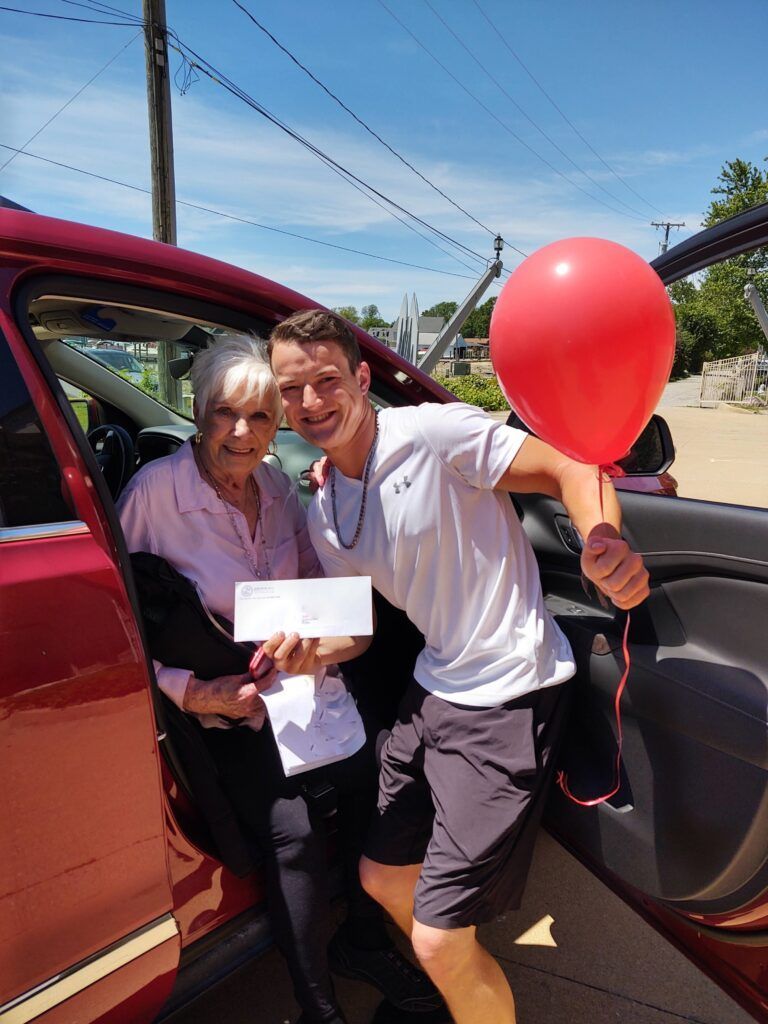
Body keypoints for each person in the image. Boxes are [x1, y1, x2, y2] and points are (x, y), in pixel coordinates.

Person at [269, 310, 651, 1024]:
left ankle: (458, 975)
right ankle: (465, 985)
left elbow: (568, 465)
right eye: (293, 389)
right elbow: (356, 634)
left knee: (438, 940)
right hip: (433, 684)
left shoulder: (433, 433)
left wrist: (603, 542)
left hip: (508, 690)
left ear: (360, 377)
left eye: (327, 380)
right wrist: (308, 652)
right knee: (381, 878)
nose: (312, 403)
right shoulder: (324, 510)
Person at [117, 334, 441, 1024]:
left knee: (376, 777)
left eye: (261, 417)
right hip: (218, 704)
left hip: (295, 688)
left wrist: (316, 646)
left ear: (278, 425)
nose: (242, 433)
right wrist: (189, 691)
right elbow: (111, 638)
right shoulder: (153, 497)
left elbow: (317, 585)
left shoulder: (276, 484)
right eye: (224, 414)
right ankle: (318, 1006)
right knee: (290, 829)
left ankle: (358, 939)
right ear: (197, 414)